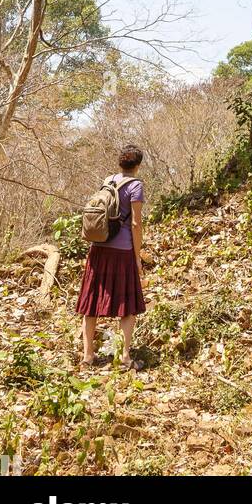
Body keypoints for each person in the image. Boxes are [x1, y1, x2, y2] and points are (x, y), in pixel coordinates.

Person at [76, 145, 146, 369]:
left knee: (91, 302)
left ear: (120, 163)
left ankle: (88, 356)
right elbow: (136, 223)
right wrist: (137, 255)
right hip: (122, 251)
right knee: (127, 305)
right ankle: (125, 356)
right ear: (137, 165)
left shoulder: (108, 181)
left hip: (98, 248)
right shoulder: (136, 186)